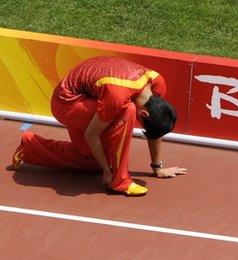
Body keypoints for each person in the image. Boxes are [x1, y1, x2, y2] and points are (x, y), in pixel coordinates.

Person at [11, 56, 187, 196]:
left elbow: (154, 131)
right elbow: (91, 135)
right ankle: (120, 181)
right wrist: (107, 171)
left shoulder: (157, 85)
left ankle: (30, 146)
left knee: (91, 162)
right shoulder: (119, 98)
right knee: (128, 112)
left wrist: (157, 167)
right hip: (67, 103)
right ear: (145, 114)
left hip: (93, 96)